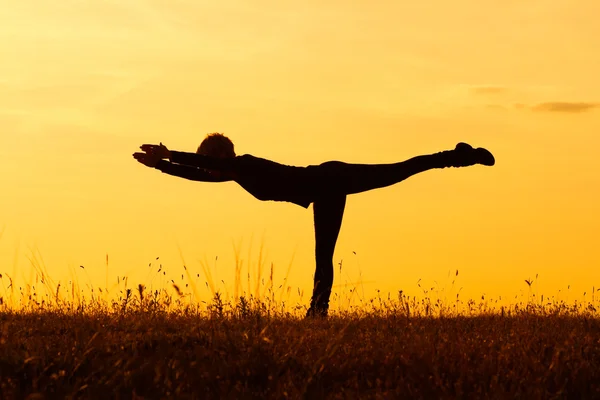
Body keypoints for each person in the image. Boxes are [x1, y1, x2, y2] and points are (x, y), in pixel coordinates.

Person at [133, 133, 495, 317]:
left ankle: (456, 157)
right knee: (323, 256)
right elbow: (200, 176)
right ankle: (317, 313)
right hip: (324, 192)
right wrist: (161, 166)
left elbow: (198, 167)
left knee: (397, 171)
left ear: (218, 157)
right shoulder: (232, 175)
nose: (207, 168)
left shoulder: (243, 164)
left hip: (330, 178)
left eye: (207, 160)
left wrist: (169, 155)